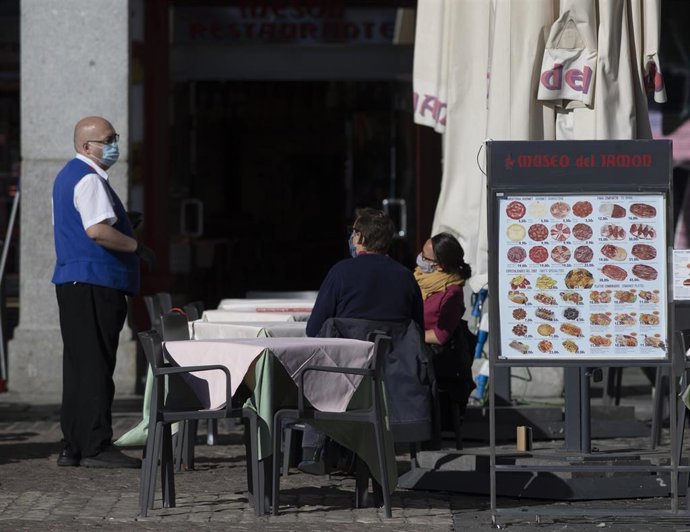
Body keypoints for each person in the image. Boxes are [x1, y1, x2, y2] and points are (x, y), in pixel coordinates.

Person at [52, 116, 156, 468]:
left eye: (116, 137)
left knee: (80, 366)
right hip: (96, 283)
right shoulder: (89, 179)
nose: (115, 144)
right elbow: (96, 231)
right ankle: (96, 444)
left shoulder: (67, 175)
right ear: (87, 146)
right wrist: (136, 246)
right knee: (96, 366)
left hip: (74, 281)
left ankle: (74, 443)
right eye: (108, 139)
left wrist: (124, 219)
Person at [300, 208, 424, 473]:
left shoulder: (342, 272)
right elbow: (417, 332)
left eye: (352, 233)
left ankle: (319, 450)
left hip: (342, 380)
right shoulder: (406, 278)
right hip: (394, 379)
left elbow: (313, 329)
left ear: (359, 237)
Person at [414, 232, 476, 431]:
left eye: (425, 257)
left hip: (435, 357)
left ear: (439, 266)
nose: (419, 259)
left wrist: (410, 336)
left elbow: (441, 336)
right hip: (415, 348)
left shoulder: (452, 293)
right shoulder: (419, 278)